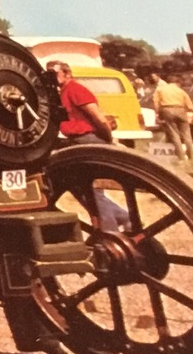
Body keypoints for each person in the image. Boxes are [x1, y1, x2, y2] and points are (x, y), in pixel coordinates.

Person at [48, 61, 131, 232]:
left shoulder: (76, 90)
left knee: (94, 189)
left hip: (87, 139)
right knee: (78, 185)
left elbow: (99, 118)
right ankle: (124, 217)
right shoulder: (61, 93)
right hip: (75, 141)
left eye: (54, 74)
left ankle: (110, 232)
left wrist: (107, 140)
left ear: (67, 74)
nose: (51, 78)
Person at [150, 73, 193, 162]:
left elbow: (156, 103)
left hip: (167, 110)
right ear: (178, 83)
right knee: (187, 135)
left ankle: (181, 158)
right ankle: (191, 157)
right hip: (181, 110)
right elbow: (190, 106)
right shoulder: (181, 91)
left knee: (174, 134)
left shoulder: (160, 90)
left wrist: (157, 114)